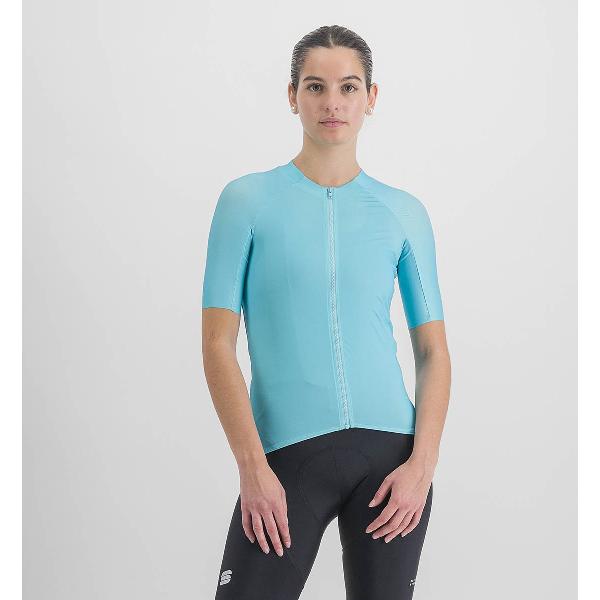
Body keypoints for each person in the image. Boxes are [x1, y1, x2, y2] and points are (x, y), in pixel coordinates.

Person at [202, 24, 451, 600]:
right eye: (315, 86)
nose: (332, 102)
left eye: (348, 87)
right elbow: (216, 344)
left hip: (391, 462)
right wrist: (252, 468)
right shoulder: (246, 201)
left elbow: (433, 351)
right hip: (286, 460)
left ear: (371, 97)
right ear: (293, 96)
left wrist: (422, 466)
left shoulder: (402, 213)